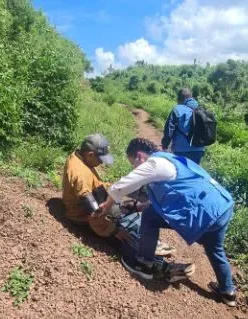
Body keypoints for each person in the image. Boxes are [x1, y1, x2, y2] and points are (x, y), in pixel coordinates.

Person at [99, 138, 236, 307]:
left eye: (133, 164)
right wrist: (140, 206)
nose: (134, 168)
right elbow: (175, 194)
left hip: (205, 213)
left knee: (150, 217)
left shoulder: (154, 163)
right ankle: (227, 291)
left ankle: (144, 263)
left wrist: (106, 205)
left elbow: (120, 186)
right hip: (222, 206)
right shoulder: (170, 160)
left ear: (139, 156)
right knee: (215, 248)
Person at [62, 133, 175, 256]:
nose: (101, 163)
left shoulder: (81, 158)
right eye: (100, 160)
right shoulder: (80, 176)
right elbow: (94, 215)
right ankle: (146, 255)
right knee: (125, 240)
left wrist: (119, 190)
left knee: (126, 213)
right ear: (90, 155)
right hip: (83, 218)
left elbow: (95, 184)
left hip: (96, 203)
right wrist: (114, 231)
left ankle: (151, 242)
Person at [161, 88, 205, 164]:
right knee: (194, 173)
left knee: (182, 173)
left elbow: (169, 130)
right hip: (199, 150)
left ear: (179, 99)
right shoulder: (201, 109)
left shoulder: (177, 109)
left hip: (181, 150)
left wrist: (165, 146)